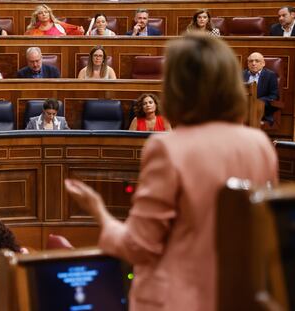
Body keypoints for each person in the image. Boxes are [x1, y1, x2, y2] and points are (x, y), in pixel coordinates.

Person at [65, 33, 278, 311]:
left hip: (176, 300)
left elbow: (137, 247)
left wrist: (99, 212)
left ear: (177, 87)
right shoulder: (259, 145)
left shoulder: (168, 148)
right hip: (239, 298)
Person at [243, 52, 279, 125]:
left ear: (263, 63)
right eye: (251, 61)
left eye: (257, 61)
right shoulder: (241, 74)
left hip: (262, 112)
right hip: (242, 109)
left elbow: (274, 96)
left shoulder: (270, 75)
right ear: (248, 63)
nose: (253, 63)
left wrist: (257, 103)